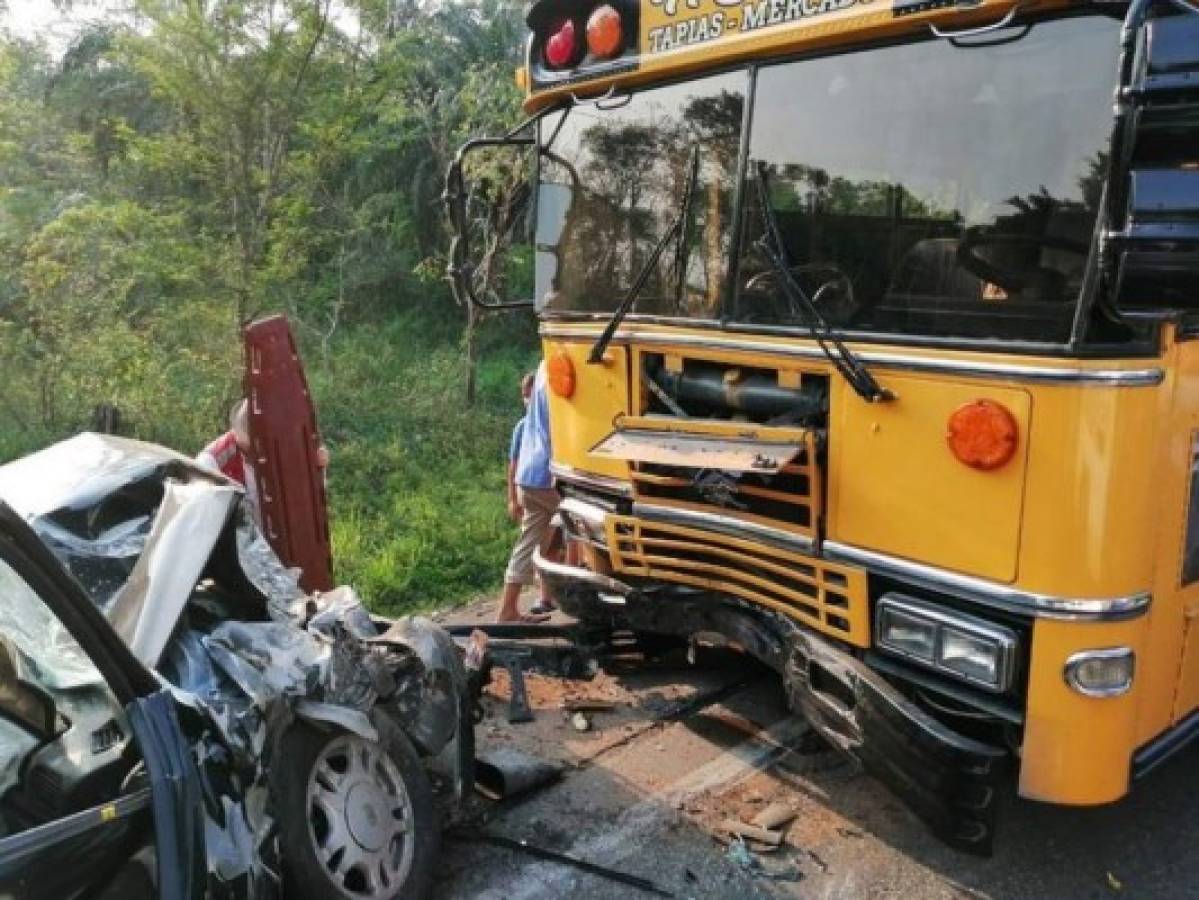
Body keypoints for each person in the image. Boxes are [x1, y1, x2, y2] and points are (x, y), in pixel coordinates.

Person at [197, 398, 329, 525]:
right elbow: (202, 516)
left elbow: (308, 500)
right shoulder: (211, 462)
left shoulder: (282, 450)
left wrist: (317, 469)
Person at [498, 362, 559, 623]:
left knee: (529, 543)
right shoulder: (559, 373)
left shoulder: (545, 369)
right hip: (550, 475)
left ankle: (508, 608)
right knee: (585, 528)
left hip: (529, 476)